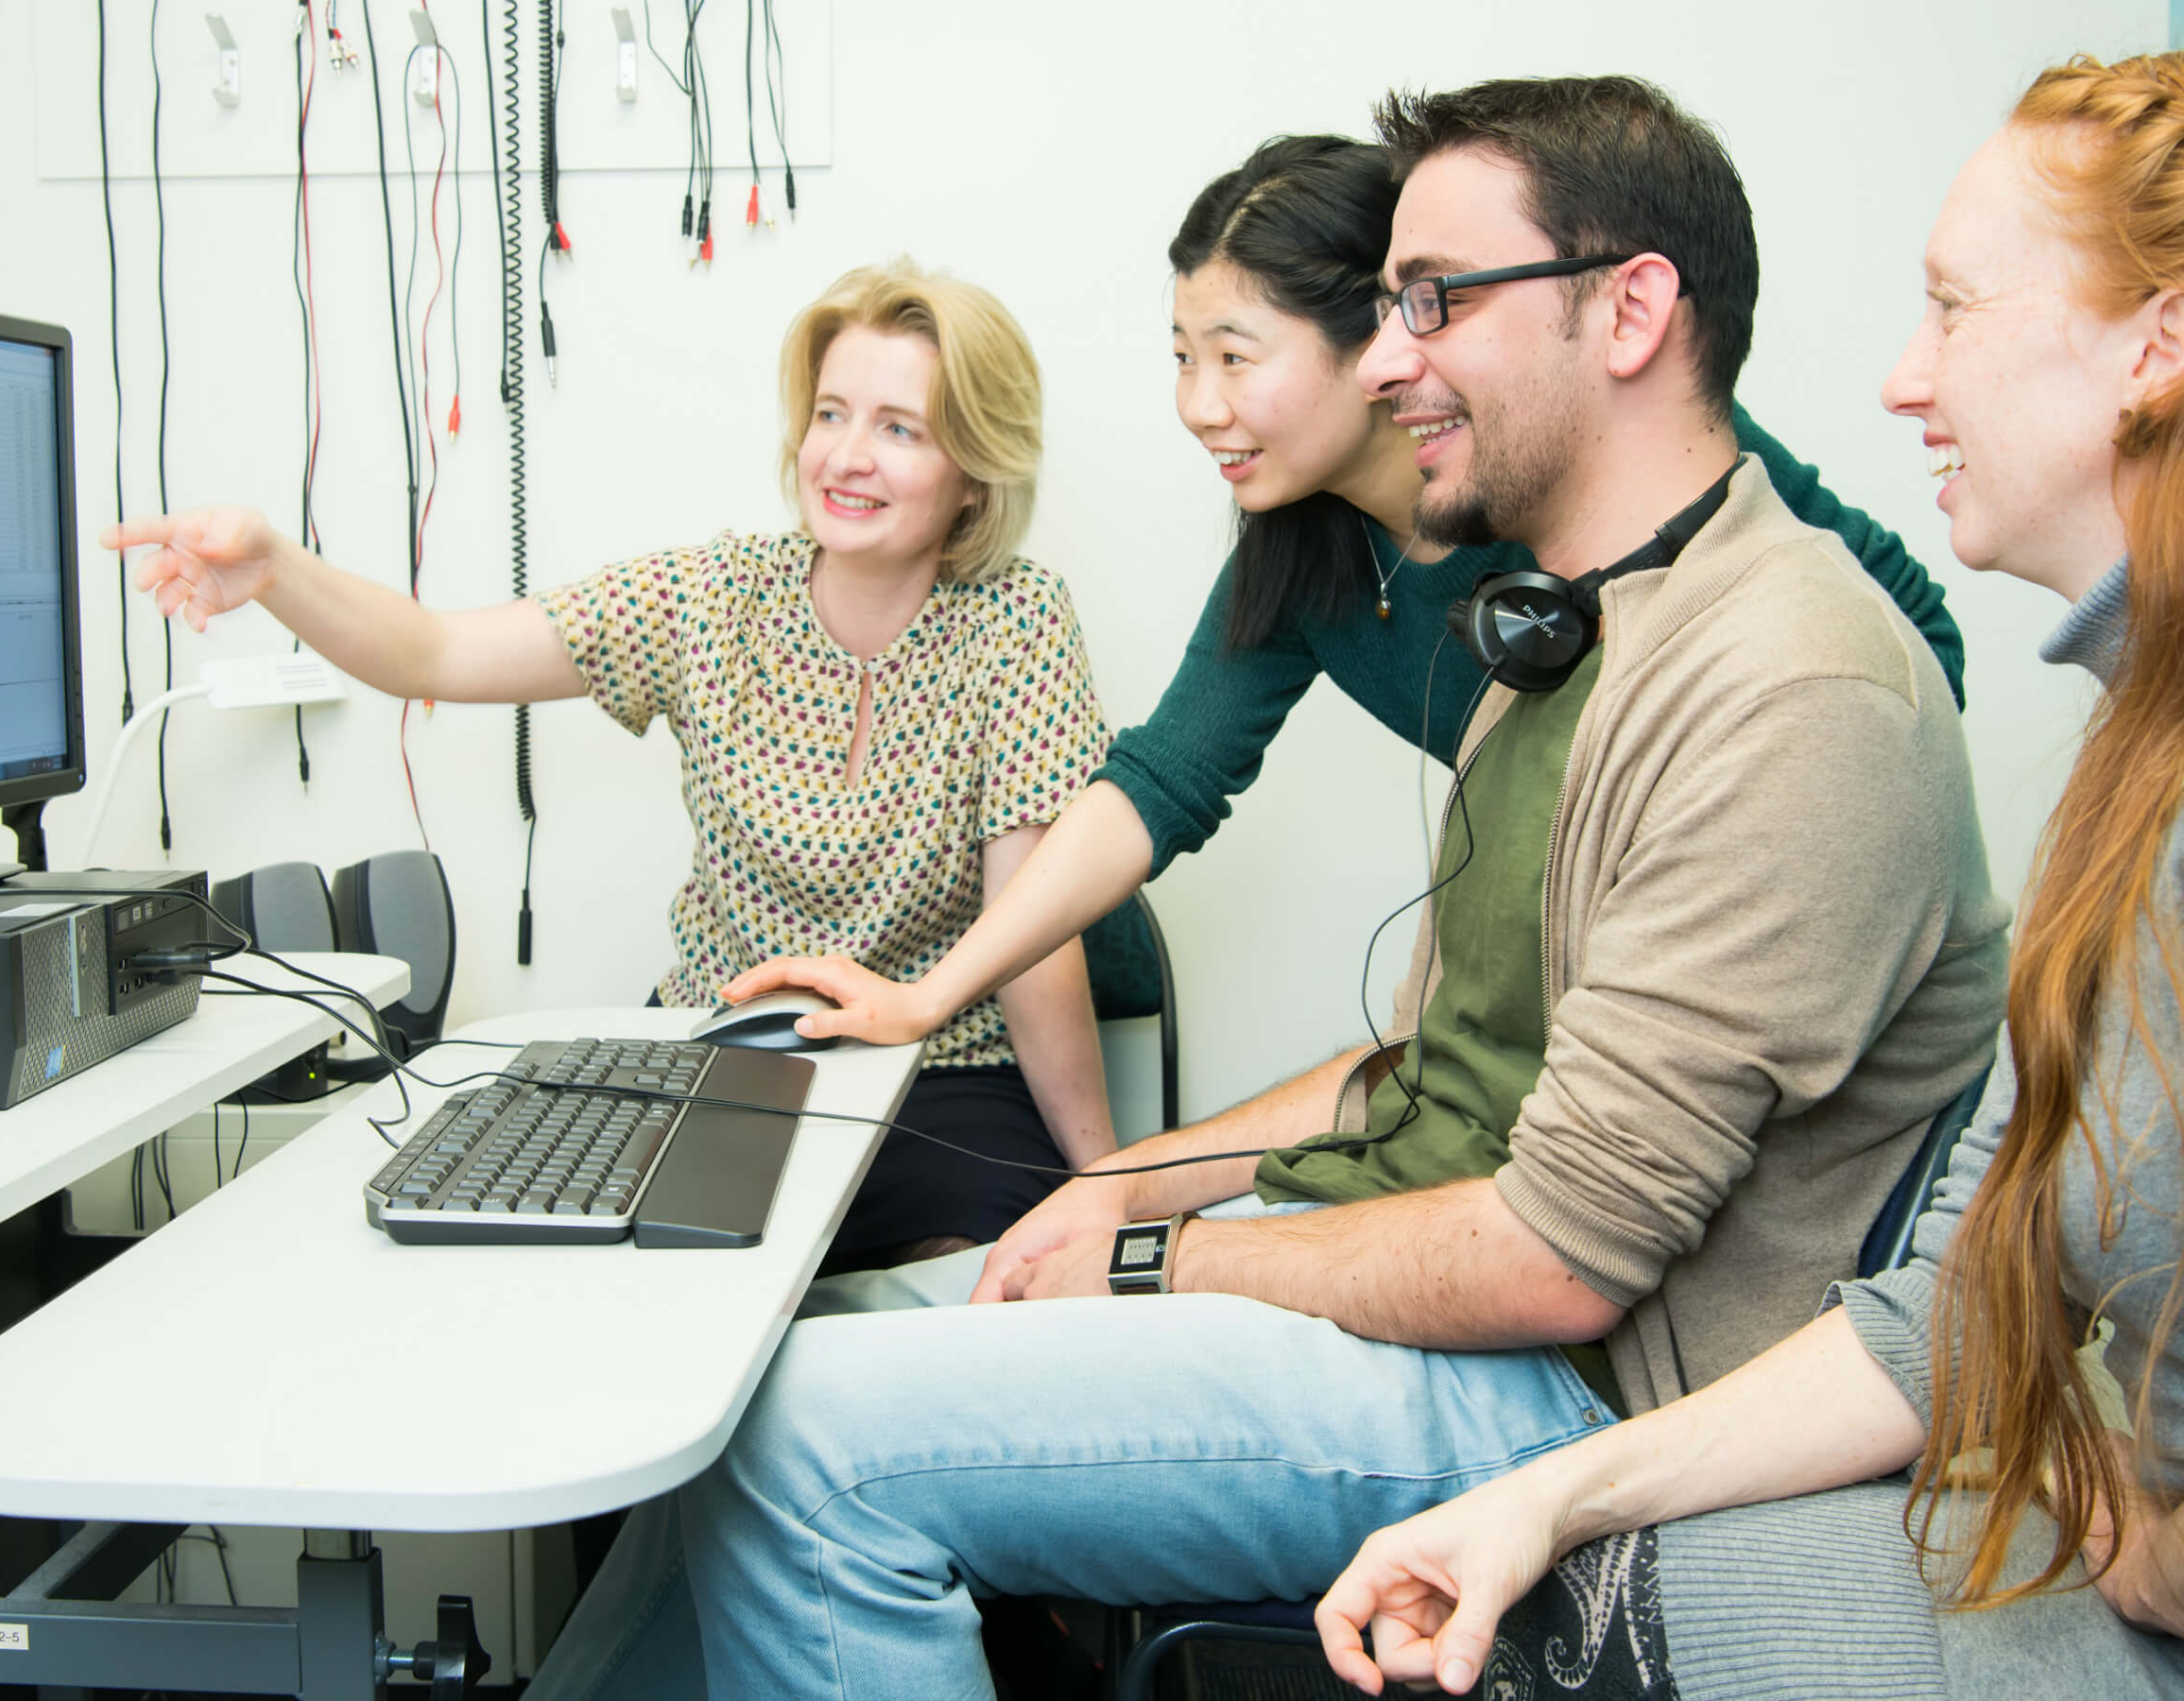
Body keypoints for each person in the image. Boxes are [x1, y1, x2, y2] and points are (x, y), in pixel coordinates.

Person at [526, 76, 2009, 1698]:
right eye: (1378, 312)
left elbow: (1560, 1257)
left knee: (807, 1437)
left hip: (1573, 1381)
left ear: (1633, 313)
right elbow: (1384, 1037)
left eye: (1427, 306)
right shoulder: (1533, 652)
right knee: (743, 1379)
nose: (1388, 361)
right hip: (1436, 1250)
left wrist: (1160, 1256)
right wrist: (1121, 1190)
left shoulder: (1778, 680)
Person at [1317, 50, 2184, 1701]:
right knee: (1529, 1592)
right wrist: (1541, 1499)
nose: (1901, 378)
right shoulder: (2162, 739)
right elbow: (1949, 1304)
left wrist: (2160, 1562)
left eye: (1955, 310)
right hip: (2183, 1592)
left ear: (2162, 347)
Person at [718, 132, 1968, 1071]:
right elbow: (1157, 784)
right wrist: (932, 995)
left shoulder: (1586, 462)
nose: (1197, 404)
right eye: (1179, 357)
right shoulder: (1304, 553)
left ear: (1374, 333)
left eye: (1233, 357)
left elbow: (1911, 635)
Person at [107, 260, 1118, 1271]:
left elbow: (1025, 937)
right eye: (829, 415)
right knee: (644, 1290)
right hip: (737, 1058)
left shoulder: (1015, 623)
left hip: (936, 1069)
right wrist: (276, 570)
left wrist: (1108, 1189)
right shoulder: (710, 598)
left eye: (899, 428)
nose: (846, 457)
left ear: (972, 467)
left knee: (994, 1283)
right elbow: (436, 653)